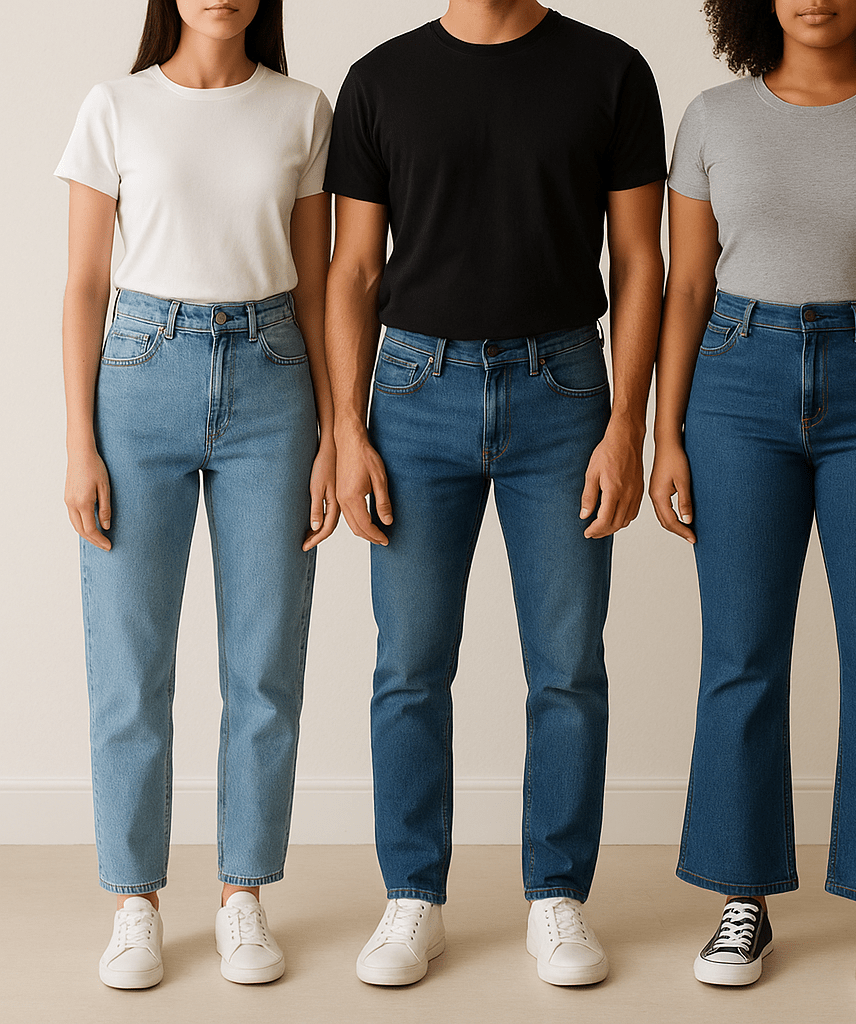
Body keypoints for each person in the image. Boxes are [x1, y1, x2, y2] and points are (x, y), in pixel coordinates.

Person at [324, 0, 665, 988]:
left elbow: (640, 258)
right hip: (413, 394)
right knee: (410, 664)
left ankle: (556, 898)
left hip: (563, 393)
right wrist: (347, 430)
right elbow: (352, 269)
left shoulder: (610, 70)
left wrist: (626, 425)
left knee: (565, 665)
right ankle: (412, 897)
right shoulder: (381, 78)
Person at [650, 0, 856, 992]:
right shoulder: (711, 116)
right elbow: (685, 289)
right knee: (739, 653)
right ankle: (740, 897)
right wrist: (665, 432)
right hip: (734, 387)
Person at [56, 0, 337, 989]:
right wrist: (77, 442)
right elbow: (85, 281)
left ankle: (242, 895)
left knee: (265, 659)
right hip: (138, 376)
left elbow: (317, 286)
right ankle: (135, 900)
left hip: (273, 377)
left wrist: (335, 434)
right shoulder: (115, 107)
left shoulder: (304, 108)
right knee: (129, 663)